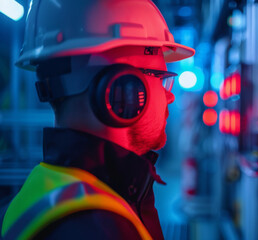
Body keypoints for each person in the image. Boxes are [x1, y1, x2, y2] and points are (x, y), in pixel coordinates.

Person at [0, 0, 194, 239]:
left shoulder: (41, 188)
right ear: (121, 89)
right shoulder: (101, 229)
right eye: (162, 78)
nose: (170, 96)